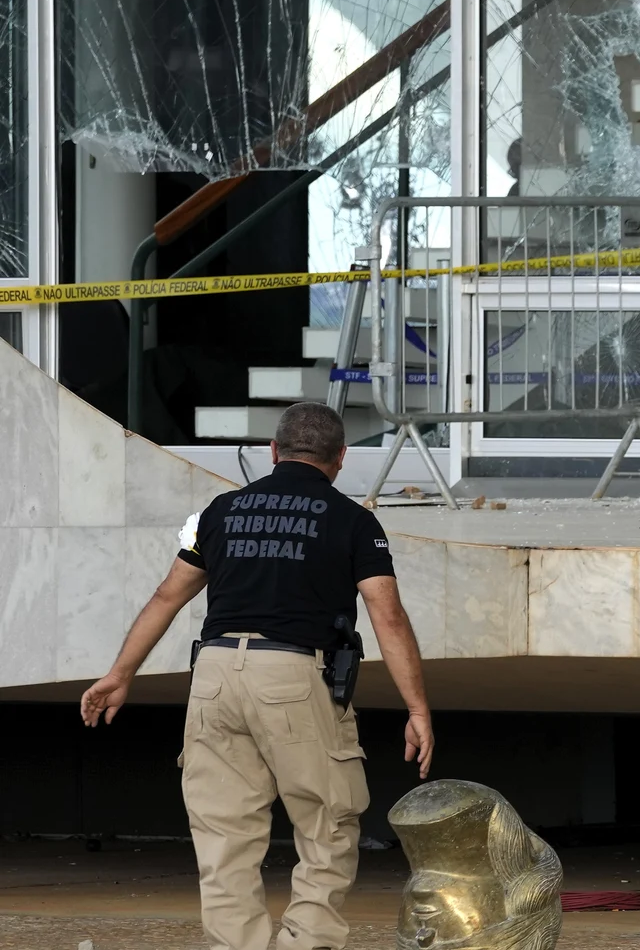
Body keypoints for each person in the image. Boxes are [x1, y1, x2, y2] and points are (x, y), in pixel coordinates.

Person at [80, 402, 435, 950]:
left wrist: (119, 674)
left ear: (273, 452)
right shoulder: (353, 520)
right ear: (341, 458)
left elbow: (166, 596)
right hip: (294, 677)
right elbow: (387, 615)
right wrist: (416, 709)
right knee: (328, 826)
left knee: (224, 838)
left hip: (215, 675)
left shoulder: (221, 511)